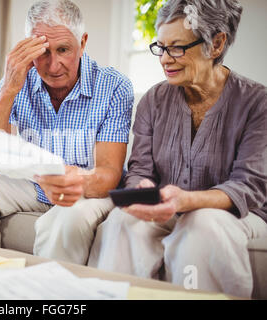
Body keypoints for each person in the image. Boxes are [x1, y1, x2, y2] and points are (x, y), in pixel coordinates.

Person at [88, 0, 267, 298]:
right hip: (169, 207)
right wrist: (141, 186)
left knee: (202, 222)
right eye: (161, 47)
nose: (165, 59)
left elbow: (248, 186)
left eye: (178, 48)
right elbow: (139, 171)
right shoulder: (153, 101)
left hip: (237, 214)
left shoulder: (257, 103)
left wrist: (188, 200)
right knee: (122, 219)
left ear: (217, 43)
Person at [0, 0, 134, 265]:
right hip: (33, 186)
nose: (53, 65)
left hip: (86, 189)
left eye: (63, 50)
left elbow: (109, 174)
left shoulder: (114, 86)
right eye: (43, 51)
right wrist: (9, 89)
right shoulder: (15, 82)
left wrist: (72, 181)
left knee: (64, 220)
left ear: (82, 43)